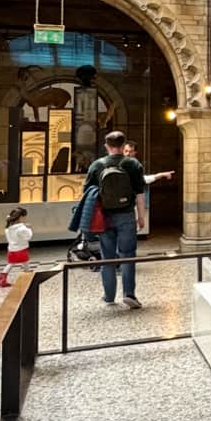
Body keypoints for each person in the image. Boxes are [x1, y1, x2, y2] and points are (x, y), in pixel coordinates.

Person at [85, 129, 146, 309]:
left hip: (104, 217)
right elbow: (140, 193)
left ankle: (109, 295)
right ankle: (129, 294)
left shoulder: (97, 165)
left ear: (106, 146)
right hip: (126, 215)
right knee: (128, 254)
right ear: (123, 145)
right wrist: (141, 217)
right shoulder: (133, 164)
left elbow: (88, 193)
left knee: (107, 256)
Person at [122, 140, 173, 234]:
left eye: (130, 151)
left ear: (135, 152)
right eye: (126, 151)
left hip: (130, 205)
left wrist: (161, 174)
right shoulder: (120, 164)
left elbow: (143, 181)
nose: (128, 154)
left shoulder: (136, 166)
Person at [0, 206, 32, 288]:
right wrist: (29, 228)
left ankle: (2, 279)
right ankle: (29, 277)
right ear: (20, 217)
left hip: (12, 250)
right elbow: (28, 236)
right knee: (26, 263)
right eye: (24, 217)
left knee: (10, 264)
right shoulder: (22, 228)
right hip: (21, 250)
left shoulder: (8, 228)